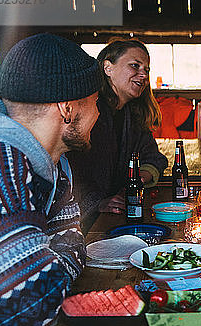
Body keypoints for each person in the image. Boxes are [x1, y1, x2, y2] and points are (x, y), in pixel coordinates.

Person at [0, 33, 101, 326]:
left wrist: (52, 266)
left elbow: (71, 242)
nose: (99, 115)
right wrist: (52, 267)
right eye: (96, 103)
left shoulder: (52, 164)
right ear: (68, 108)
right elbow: (29, 301)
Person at [67, 39, 168, 232]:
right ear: (108, 68)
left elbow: (154, 158)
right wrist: (97, 203)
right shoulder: (89, 112)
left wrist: (135, 182)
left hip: (118, 212)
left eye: (146, 69)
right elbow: (70, 172)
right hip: (82, 224)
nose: (143, 75)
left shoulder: (132, 115)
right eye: (134, 66)